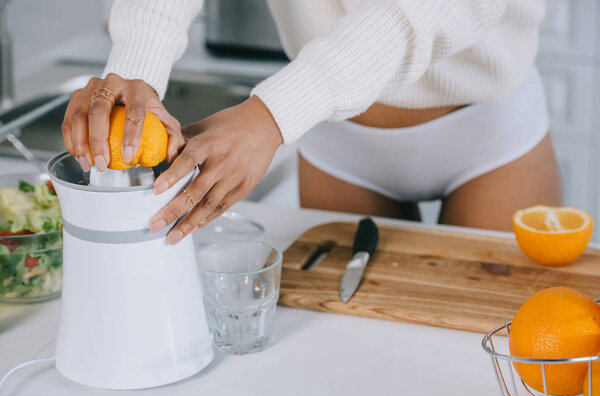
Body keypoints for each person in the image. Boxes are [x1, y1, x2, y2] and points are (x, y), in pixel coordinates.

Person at [62, 0, 561, 245]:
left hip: (486, 130)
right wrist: (136, 67)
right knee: (357, 347)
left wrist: (274, 115)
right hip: (338, 132)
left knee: (501, 346)